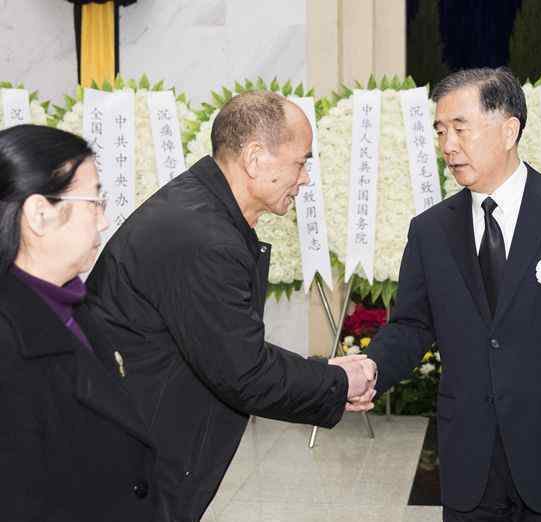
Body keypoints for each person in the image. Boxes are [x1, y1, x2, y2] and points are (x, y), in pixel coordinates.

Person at [366, 68, 541, 521]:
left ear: (508, 129)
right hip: (470, 464)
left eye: (460, 129)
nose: (447, 146)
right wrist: (370, 368)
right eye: (440, 131)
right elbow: (411, 326)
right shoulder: (431, 231)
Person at [85, 91, 377, 522]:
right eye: (301, 162)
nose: (306, 179)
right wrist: (334, 381)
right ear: (256, 158)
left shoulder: (201, 213)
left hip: (139, 448)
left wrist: (322, 375)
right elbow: (243, 374)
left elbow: (226, 352)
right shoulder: (202, 237)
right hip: (132, 463)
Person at [0, 124, 166, 521]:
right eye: (94, 203)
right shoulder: (8, 342)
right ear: (40, 214)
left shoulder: (74, 305)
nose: (104, 221)